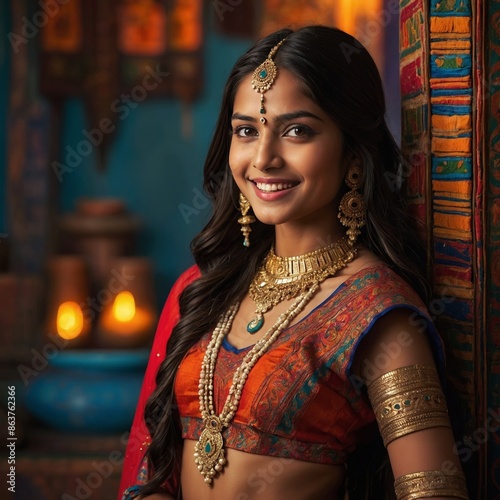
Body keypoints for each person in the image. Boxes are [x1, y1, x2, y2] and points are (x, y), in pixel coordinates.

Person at [118, 25, 469, 500]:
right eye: (246, 131)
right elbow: (155, 468)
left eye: (297, 131)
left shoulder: (379, 314)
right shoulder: (209, 288)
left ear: (353, 154)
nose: (263, 158)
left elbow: (434, 491)